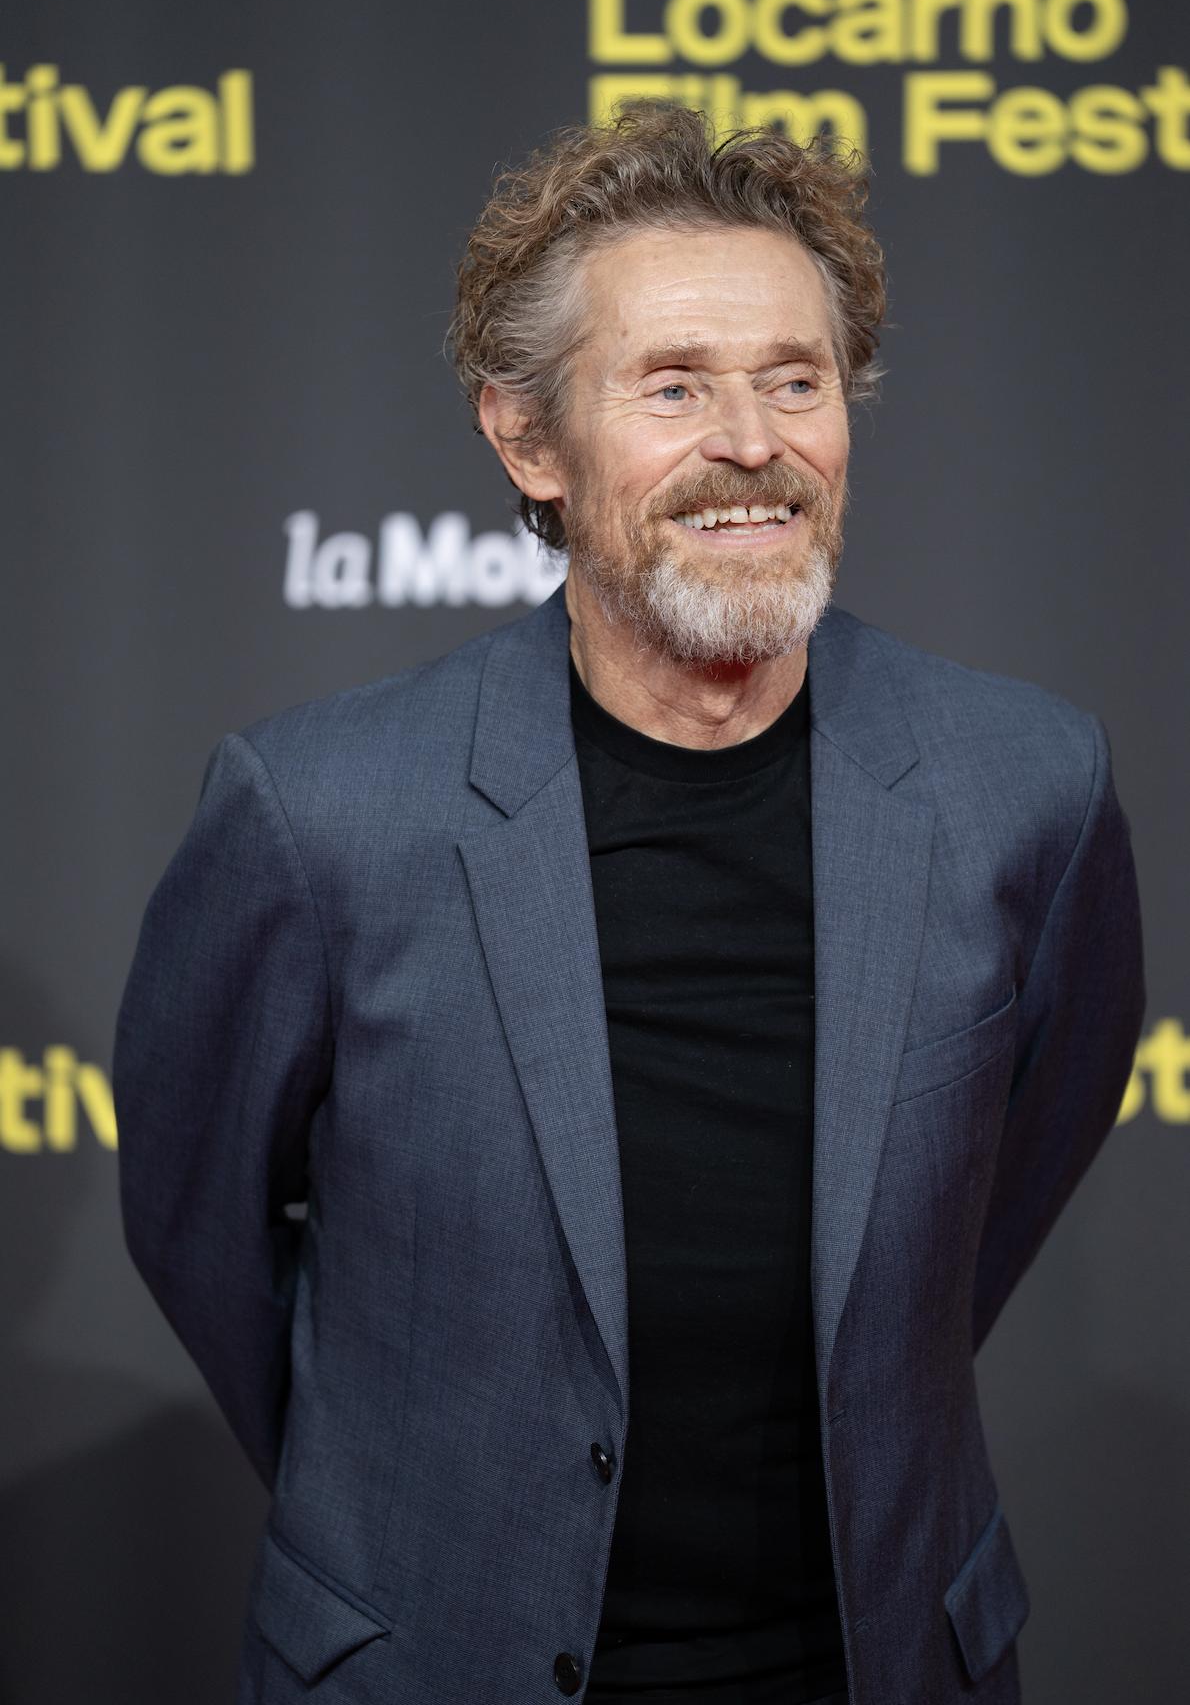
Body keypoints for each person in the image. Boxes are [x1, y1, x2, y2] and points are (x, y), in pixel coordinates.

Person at [114, 104, 1143, 1705]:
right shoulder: (316, 813)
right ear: (529, 442)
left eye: (794, 380)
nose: (751, 441)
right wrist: (411, 1501)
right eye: (672, 386)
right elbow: (197, 1228)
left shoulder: (1028, 786)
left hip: (877, 1661)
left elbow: (984, 1208)